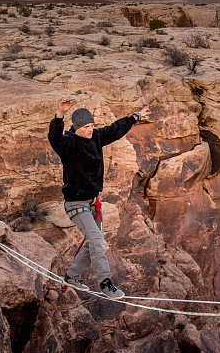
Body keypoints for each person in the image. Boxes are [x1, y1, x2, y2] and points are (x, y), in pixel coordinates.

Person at [48, 98, 151, 298]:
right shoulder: (68, 143)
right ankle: (105, 283)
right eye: (86, 126)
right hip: (76, 204)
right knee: (96, 240)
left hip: (93, 202)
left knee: (92, 242)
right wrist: (59, 114)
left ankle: (71, 277)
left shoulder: (95, 137)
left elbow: (115, 129)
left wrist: (135, 117)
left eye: (92, 125)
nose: (90, 129)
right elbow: (54, 138)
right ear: (77, 127)